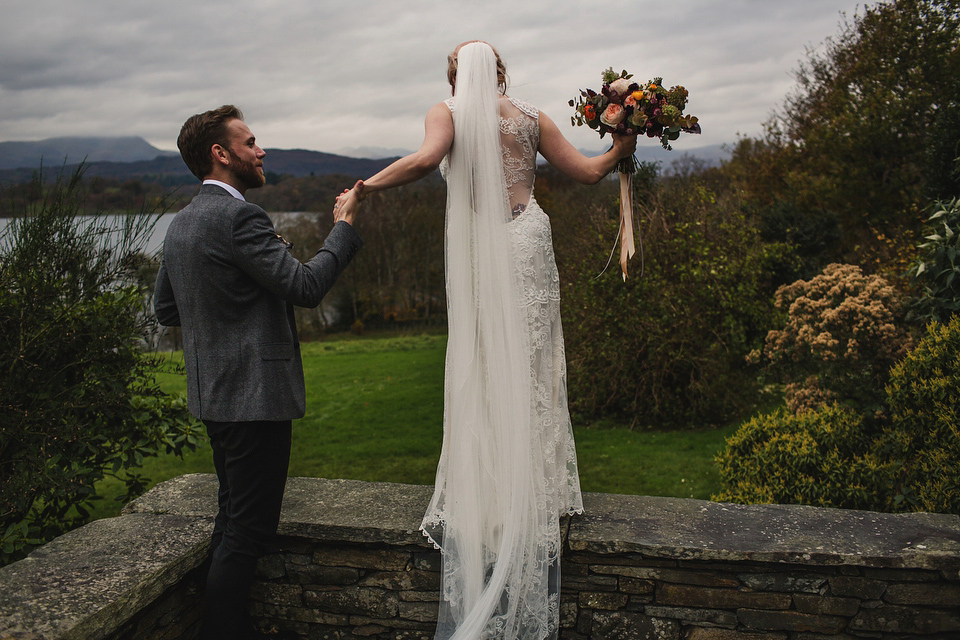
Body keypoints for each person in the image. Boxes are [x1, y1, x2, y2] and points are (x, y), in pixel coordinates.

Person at [335, 42, 636, 640]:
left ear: (454, 75)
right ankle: (533, 493)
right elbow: (587, 171)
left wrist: (365, 189)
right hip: (529, 241)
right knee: (532, 360)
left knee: (484, 362)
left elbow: (425, 162)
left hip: (484, 248)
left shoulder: (447, 111)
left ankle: (494, 500)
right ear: (501, 72)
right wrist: (624, 142)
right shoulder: (529, 116)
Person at [154, 105, 363, 640]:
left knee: (231, 523)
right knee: (247, 533)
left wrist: (226, 323)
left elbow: (168, 310)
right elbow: (305, 287)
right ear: (221, 154)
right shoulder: (240, 218)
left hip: (214, 398)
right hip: (255, 399)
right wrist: (342, 229)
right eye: (250, 142)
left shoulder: (181, 224)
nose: (261, 150)